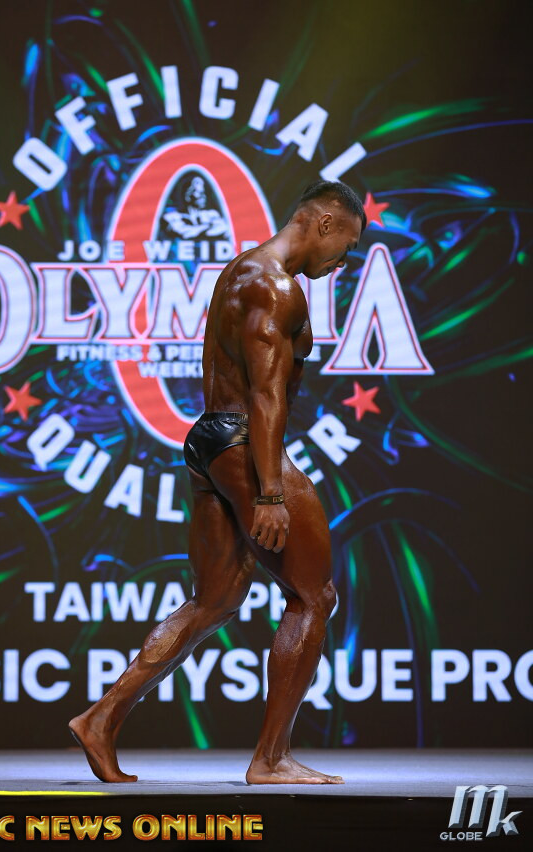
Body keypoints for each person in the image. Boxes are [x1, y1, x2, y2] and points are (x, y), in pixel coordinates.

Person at [69, 179, 366, 784]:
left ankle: (101, 718)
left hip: (208, 441)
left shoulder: (241, 270)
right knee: (314, 596)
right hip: (242, 445)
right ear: (324, 223)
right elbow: (266, 394)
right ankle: (271, 759)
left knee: (216, 599)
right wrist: (271, 492)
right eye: (348, 244)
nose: (345, 260)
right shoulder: (277, 287)